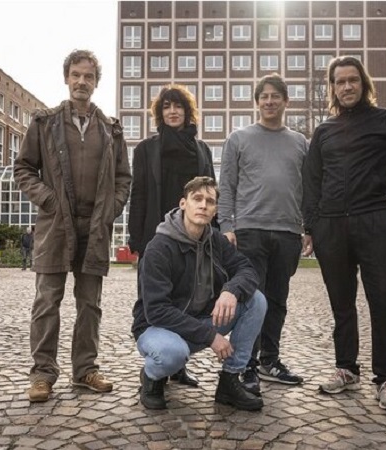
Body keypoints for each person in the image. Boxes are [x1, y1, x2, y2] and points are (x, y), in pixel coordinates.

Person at [14, 49, 132, 402]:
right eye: (76, 75)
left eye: (89, 76)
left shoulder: (111, 129)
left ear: (97, 83)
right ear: (66, 78)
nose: (82, 82)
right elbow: (23, 170)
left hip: (95, 226)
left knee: (90, 303)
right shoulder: (44, 123)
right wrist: (49, 200)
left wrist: (110, 209)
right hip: (55, 227)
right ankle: (42, 374)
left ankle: (85, 370)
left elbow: (124, 178)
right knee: (47, 300)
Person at [301, 56, 386, 411]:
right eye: (339, 81)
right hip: (332, 225)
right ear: (332, 88)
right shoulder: (324, 131)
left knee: (385, 302)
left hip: (377, 220)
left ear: (363, 84)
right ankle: (347, 369)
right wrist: (312, 224)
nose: (346, 87)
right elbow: (311, 181)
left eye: (352, 80)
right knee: (342, 304)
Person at [131, 176, 266, 411]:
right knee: (172, 353)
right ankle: (152, 377)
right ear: (183, 204)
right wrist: (211, 336)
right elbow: (157, 311)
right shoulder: (158, 248)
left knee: (256, 301)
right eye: (197, 199)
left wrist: (231, 291)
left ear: (215, 211)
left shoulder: (216, 240)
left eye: (210, 201)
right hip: (156, 328)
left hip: (198, 320)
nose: (203, 205)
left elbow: (247, 269)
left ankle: (230, 382)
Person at [218, 73, 308, 396]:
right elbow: (225, 186)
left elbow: (307, 188)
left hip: (287, 232)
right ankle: (247, 365)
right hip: (249, 231)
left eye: (275, 96)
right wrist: (226, 227)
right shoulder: (238, 139)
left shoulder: (300, 143)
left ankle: (271, 359)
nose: (269, 101)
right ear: (257, 102)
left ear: (286, 101)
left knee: (278, 300)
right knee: (252, 300)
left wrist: (306, 227)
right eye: (264, 96)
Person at [127, 84, 215, 387]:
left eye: (178, 106)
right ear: (159, 113)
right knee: (156, 300)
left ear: (188, 111)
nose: (173, 111)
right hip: (156, 238)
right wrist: (136, 238)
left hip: (192, 240)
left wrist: (212, 236)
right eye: (166, 106)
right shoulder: (146, 149)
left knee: (186, 301)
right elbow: (137, 194)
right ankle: (159, 363)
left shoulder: (202, 149)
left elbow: (209, 193)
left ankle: (177, 367)